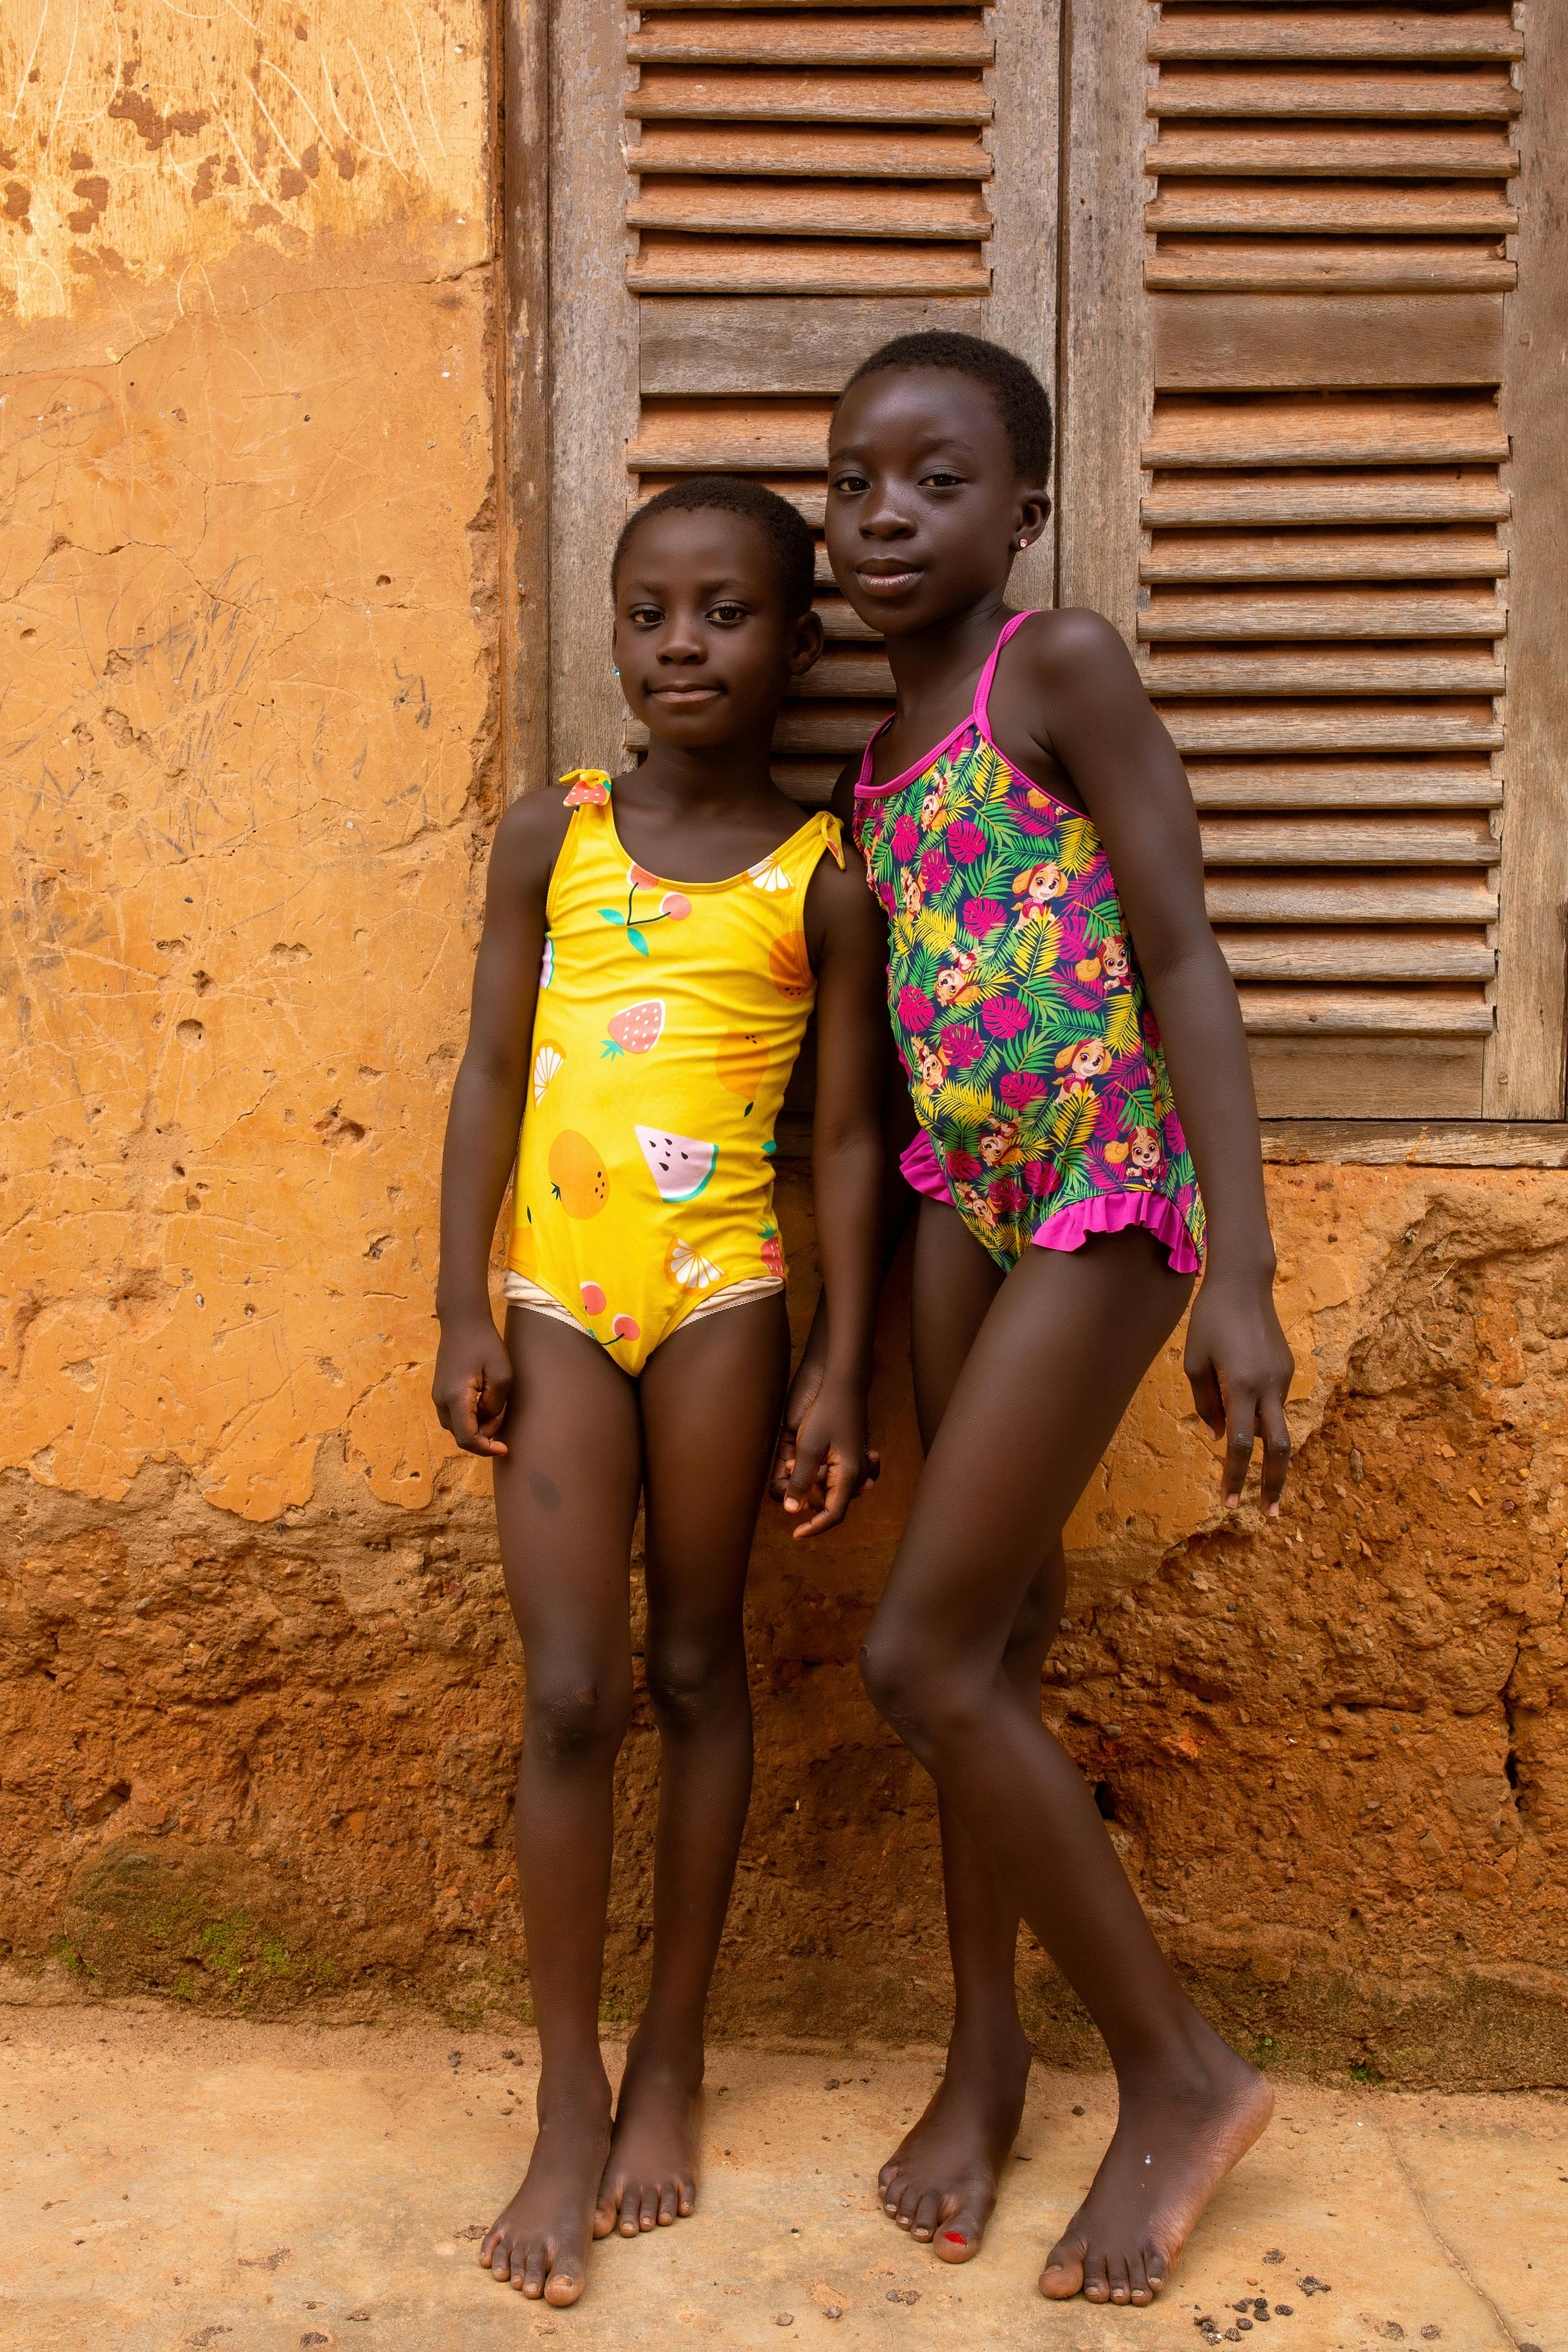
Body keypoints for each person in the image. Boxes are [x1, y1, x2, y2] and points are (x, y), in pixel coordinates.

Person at [773, 332, 1294, 2310]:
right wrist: (845, 1341)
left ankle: (1175, 2075)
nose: (882, 518)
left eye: (930, 481)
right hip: (954, 1206)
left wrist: (1233, 1268)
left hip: (1103, 1195)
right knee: (985, 1637)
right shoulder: (867, 770)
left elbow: (1174, 947)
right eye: (851, 485)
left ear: (1022, 509)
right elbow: (889, 1076)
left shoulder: (1050, 668)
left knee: (917, 1661)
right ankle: (981, 2060)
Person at [433, 477, 886, 2306]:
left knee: (697, 1667)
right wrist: (455, 1304)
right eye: (648, 613)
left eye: (724, 614)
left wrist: (844, 1360)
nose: (680, 647)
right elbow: (483, 1069)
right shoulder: (553, 835)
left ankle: (673, 2057)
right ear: (612, 631)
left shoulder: (819, 880)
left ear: (794, 642)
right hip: (556, 1291)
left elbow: (844, 1135)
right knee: (568, 1686)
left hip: (721, 1304)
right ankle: (563, 2095)